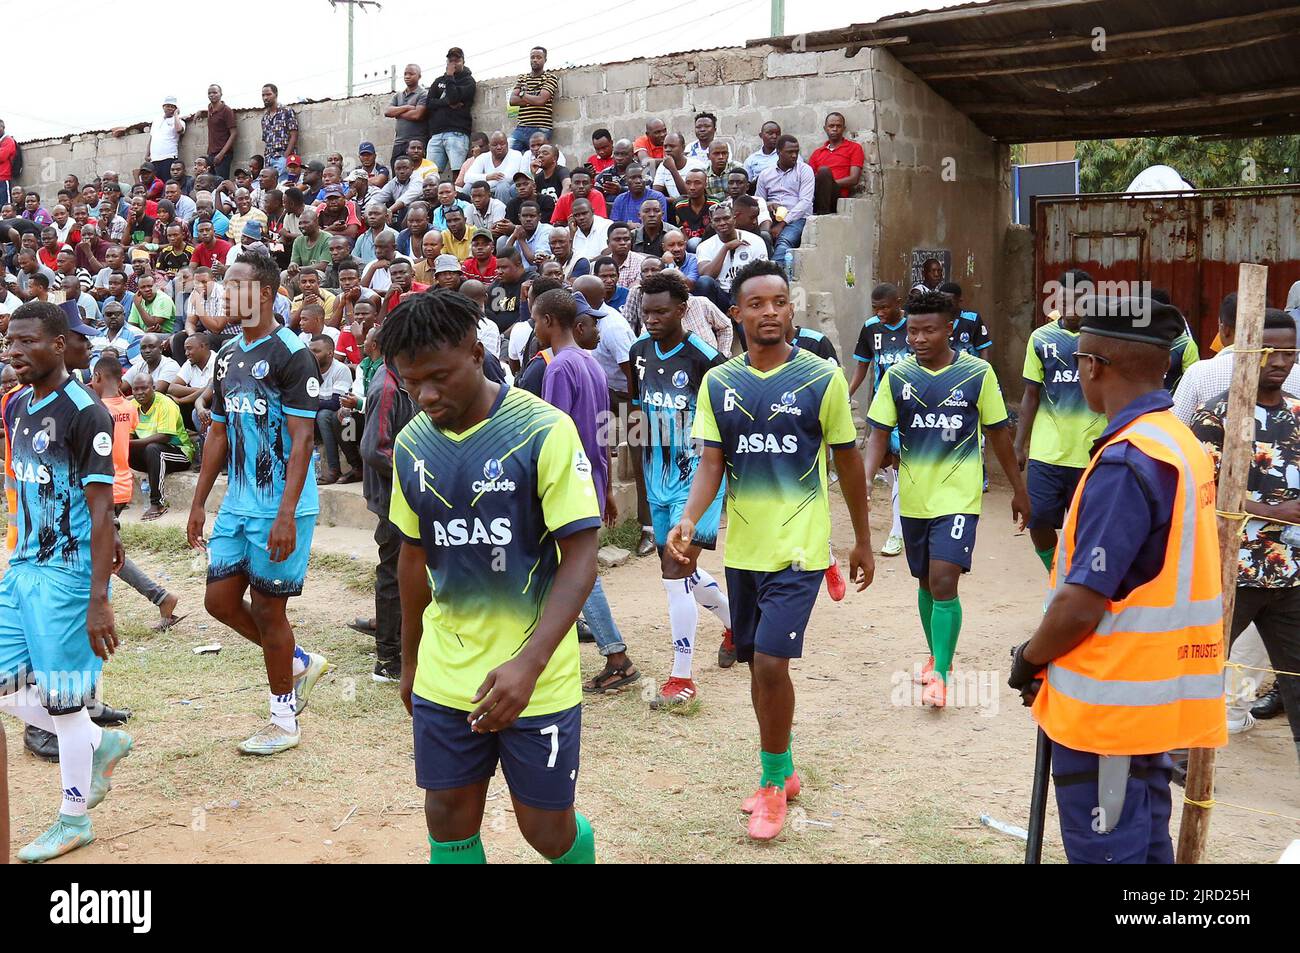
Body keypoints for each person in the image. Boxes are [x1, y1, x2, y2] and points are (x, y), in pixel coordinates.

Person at [382, 290, 598, 865]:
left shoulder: (543, 430)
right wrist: (410, 662)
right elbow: (412, 557)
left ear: (477, 354)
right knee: (448, 820)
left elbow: (581, 556)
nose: (426, 396)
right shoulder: (411, 445)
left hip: (536, 677)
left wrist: (529, 665)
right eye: (410, 384)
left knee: (546, 832)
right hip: (445, 676)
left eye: (439, 378)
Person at [1008, 297, 1227, 864]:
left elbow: (1082, 604)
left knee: (1113, 856)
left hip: (1110, 719)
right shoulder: (1179, 442)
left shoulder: (1128, 459)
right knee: (1145, 851)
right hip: (1157, 702)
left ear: (1092, 366)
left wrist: (1031, 657)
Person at [667, 259, 874, 840]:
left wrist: (858, 538)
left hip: (799, 551)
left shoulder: (821, 379)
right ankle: (781, 771)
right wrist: (688, 518)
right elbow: (712, 463)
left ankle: (771, 784)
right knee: (761, 666)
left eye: (779, 302)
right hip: (745, 553)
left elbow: (847, 460)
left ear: (791, 309)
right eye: (756, 303)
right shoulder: (719, 383)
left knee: (769, 663)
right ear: (737, 313)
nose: (769, 313)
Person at [0, 302, 132, 862]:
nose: (14, 353)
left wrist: (99, 598)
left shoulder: (86, 413)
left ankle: (73, 817)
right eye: (9, 343)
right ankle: (99, 742)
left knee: (64, 702)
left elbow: (102, 511)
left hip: (66, 573)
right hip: (23, 564)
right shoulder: (16, 406)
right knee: (11, 684)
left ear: (59, 345)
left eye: (26, 342)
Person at [186, 252, 331, 756]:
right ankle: (297, 661)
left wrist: (287, 512)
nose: (224, 293)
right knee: (219, 601)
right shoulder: (226, 353)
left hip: (279, 506)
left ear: (265, 293)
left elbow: (303, 440)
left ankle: (283, 719)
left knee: (270, 611)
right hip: (237, 504)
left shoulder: (293, 353)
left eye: (235, 285)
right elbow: (219, 433)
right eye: (224, 284)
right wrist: (200, 500)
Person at [864, 289, 1029, 706]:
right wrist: (863, 480)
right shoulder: (898, 377)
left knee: (942, 581)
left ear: (949, 330)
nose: (918, 339)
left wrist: (1019, 490)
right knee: (923, 581)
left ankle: (940, 673)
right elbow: (878, 433)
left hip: (958, 496)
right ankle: (938, 655)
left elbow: (998, 434)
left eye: (929, 331)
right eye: (913, 332)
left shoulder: (977, 374)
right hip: (914, 498)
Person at [1189, 308, 1300, 752]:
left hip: (1292, 574)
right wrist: (1275, 512)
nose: (1279, 361)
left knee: (1295, 676)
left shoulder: (1297, 414)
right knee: (1200, 663)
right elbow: (1200, 493)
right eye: (1269, 351)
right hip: (1232, 571)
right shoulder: (1218, 416)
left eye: (1289, 352)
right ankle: (1178, 756)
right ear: (1248, 351)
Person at [626, 271, 734, 704]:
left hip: (697, 482)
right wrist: (639, 490)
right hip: (656, 478)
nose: (651, 319)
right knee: (678, 571)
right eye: (646, 312)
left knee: (675, 573)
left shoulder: (707, 359)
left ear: (682, 310)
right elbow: (635, 418)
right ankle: (737, 623)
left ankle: (682, 677)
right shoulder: (638, 353)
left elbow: (729, 422)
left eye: (661, 311)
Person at [531, 288, 641, 694]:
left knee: (578, 572)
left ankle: (616, 656)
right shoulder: (592, 364)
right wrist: (607, 487)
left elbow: (552, 434)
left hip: (566, 484)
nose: (532, 326)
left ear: (548, 322)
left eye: (534, 319)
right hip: (590, 478)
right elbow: (601, 434)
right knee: (568, 569)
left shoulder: (559, 368)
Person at [1014, 271, 1107, 574]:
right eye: (1066, 298)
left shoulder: (1103, 340)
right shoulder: (1041, 338)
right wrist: (1019, 444)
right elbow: (1031, 394)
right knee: (1038, 518)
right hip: (1047, 450)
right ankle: (1057, 576)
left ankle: (1080, 588)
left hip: (1093, 451)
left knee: (1088, 527)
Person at [89, 357, 184, 626]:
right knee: (99, 550)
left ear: (96, 377)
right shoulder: (128, 409)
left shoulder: (95, 409)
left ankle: (161, 596)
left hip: (103, 485)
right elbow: (126, 435)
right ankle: (160, 597)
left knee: (106, 552)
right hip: (121, 483)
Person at [849, 283, 908, 557]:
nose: (880, 312)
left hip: (910, 406)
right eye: (876, 308)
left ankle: (897, 532)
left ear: (898, 302)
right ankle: (903, 510)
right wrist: (847, 394)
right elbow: (863, 365)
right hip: (883, 408)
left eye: (885, 307)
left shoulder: (913, 327)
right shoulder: (871, 328)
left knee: (898, 464)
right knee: (883, 462)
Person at [129, 371, 195, 519]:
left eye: (144, 388)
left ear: (153, 387)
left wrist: (129, 443)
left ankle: (157, 503)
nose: (139, 393)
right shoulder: (132, 406)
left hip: (179, 454)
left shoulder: (166, 403)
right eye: (135, 389)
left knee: (153, 449)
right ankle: (118, 498)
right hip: (152, 454)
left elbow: (164, 437)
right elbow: (129, 435)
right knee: (123, 448)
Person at [312, 335, 362, 485]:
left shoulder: (340, 369)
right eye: (310, 351)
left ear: (330, 353)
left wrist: (312, 403)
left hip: (338, 418)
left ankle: (334, 469)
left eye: (316, 351)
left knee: (324, 415)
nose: (312, 354)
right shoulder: (306, 368)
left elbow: (336, 403)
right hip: (313, 418)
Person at [755, 136, 814, 257]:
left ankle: (775, 272)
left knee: (784, 242)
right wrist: (769, 205)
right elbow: (758, 202)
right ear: (778, 152)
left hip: (797, 218)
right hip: (771, 218)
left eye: (796, 152)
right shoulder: (765, 174)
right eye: (790, 152)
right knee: (760, 240)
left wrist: (783, 224)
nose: (794, 155)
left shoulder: (804, 170)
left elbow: (805, 202)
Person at [808, 113, 863, 215]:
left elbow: (854, 179)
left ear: (843, 128)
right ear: (825, 128)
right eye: (831, 126)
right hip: (817, 196)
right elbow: (809, 179)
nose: (835, 129)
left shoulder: (854, 148)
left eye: (838, 126)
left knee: (824, 171)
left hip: (837, 196)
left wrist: (829, 184)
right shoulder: (817, 153)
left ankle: (822, 214)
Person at [509, 47, 559, 152]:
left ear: (545, 60)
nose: (535, 60)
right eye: (532, 57)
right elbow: (512, 101)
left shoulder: (550, 78)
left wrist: (522, 94)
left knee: (538, 159)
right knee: (509, 155)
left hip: (541, 127)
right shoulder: (522, 78)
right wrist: (533, 99)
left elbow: (540, 101)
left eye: (539, 57)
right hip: (521, 127)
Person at [386, 64, 429, 166]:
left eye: (411, 74)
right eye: (405, 74)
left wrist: (397, 113)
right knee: (396, 173)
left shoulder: (423, 94)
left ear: (419, 76)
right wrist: (406, 107)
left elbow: (417, 115)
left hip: (416, 143)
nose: (407, 76)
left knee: (415, 173)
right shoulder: (398, 95)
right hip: (399, 143)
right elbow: (387, 112)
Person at [260, 84, 299, 175]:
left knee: (282, 185)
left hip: (283, 156)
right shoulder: (265, 118)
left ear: (276, 94)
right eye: (263, 95)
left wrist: (285, 157)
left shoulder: (287, 111)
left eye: (269, 94)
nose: (265, 98)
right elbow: (266, 141)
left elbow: (294, 135)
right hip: (269, 159)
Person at [205, 85, 237, 181]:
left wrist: (221, 154)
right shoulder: (210, 108)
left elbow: (234, 133)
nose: (212, 95)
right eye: (209, 93)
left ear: (221, 94)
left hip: (223, 155)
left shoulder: (226, 110)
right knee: (210, 184)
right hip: (211, 153)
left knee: (221, 183)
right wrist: (200, 112)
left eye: (215, 92)